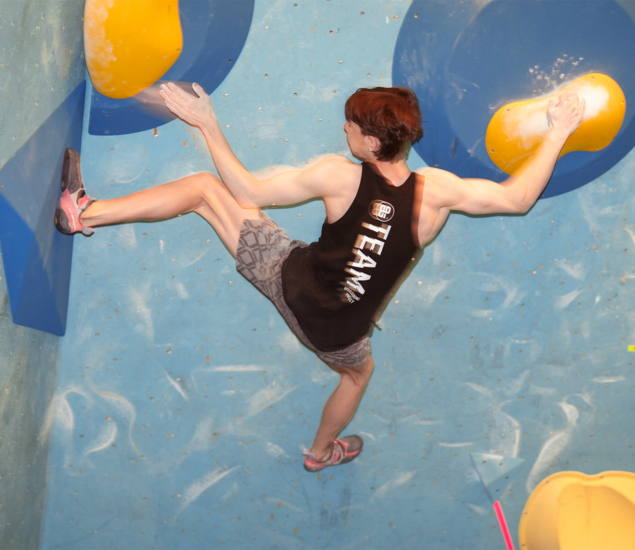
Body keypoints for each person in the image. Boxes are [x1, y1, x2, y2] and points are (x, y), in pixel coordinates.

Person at [54, 84, 584, 472]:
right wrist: (559, 129)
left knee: (202, 189)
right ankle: (320, 454)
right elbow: (517, 199)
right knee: (356, 376)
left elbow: (247, 191)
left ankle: (85, 212)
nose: (345, 129)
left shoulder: (340, 174)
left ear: (373, 144)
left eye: (352, 125)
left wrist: (207, 122)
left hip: (292, 281)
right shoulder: (437, 192)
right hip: (340, 334)